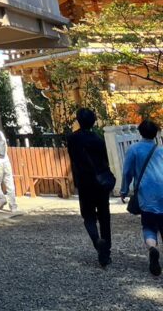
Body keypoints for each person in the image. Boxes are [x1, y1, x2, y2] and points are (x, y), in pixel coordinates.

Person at [66, 108, 113, 267]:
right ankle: (106, 252)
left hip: (84, 181)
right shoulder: (98, 139)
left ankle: (96, 240)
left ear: (79, 121)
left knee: (88, 216)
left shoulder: (72, 139)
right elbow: (104, 160)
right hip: (100, 182)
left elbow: (73, 159)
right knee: (104, 216)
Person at [121, 119, 163, 277]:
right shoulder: (160, 150)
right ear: (155, 133)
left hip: (146, 194)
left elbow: (127, 172)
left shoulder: (134, 149)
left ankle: (153, 248)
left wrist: (124, 190)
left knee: (149, 225)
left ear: (140, 132)